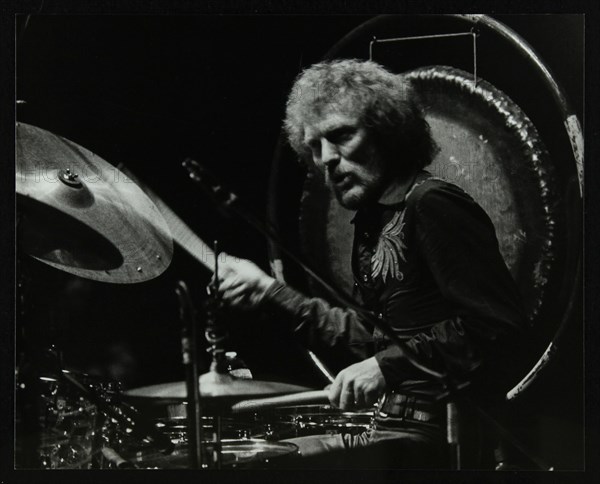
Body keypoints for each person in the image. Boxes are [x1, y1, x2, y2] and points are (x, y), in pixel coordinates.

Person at [215, 59, 527, 468]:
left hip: (439, 437)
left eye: (341, 135)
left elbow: (495, 324)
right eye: (313, 145)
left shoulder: (432, 204)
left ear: (388, 132)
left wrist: (384, 367)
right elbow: (373, 338)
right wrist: (268, 291)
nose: (325, 158)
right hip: (387, 425)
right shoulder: (374, 222)